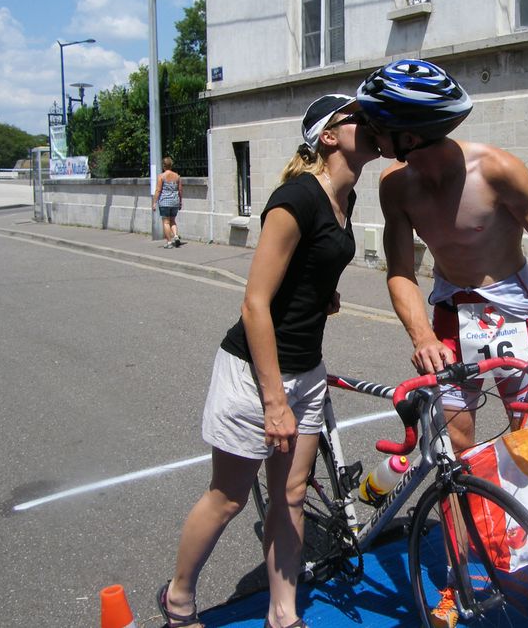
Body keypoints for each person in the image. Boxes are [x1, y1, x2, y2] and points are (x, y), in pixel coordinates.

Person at [356, 60, 528, 628]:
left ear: (408, 134)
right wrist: (423, 334)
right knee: (454, 453)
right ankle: (458, 577)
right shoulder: (395, 186)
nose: (371, 136)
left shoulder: (497, 170)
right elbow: (401, 270)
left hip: (515, 315)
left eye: (379, 127)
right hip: (452, 316)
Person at [158, 94, 378, 628]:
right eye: (359, 119)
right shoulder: (295, 198)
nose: (372, 126)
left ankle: (283, 614)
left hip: (307, 370)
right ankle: (179, 599)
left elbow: (310, 268)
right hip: (256, 374)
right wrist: (274, 401)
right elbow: (254, 302)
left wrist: (322, 294)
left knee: (293, 495)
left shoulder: (345, 201)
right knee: (230, 497)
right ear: (329, 137)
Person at [152, 157, 184, 248]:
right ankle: (176, 236)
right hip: (175, 201)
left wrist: (154, 202)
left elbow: (158, 190)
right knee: (173, 220)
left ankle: (169, 242)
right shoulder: (177, 176)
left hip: (165, 202)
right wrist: (180, 202)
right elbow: (180, 190)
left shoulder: (161, 176)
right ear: (171, 165)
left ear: (163, 166)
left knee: (166, 222)